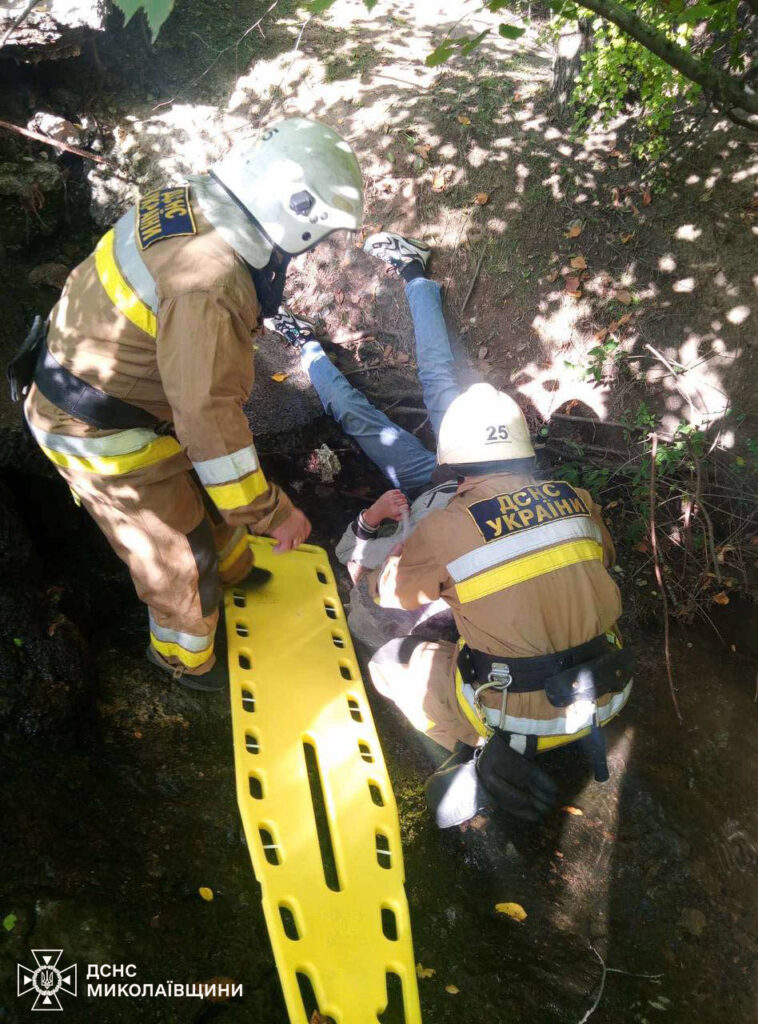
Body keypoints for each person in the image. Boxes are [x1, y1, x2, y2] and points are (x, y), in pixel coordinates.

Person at [271, 233, 632, 828]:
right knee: (422, 389)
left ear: (453, 457)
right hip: (604, 692)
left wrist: (379, 528)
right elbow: (601, 559)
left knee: (389, 657)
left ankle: (469, 749)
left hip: (524, 714)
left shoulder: (442, 524)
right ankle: (404, 280)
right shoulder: (573, 499)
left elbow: (386, 593)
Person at [7, 118, 364, 691]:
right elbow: (209, 423)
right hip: (95, 428)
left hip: (98, 382)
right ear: (294, 218)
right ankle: (182, 660)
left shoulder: (189, 202)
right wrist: (275, 512)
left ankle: (234, 571)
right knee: (177, 557)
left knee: (210, 497)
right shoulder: (212, 284)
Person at [266, 231, 461, 648]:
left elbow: (348, 552)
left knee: (350, 413)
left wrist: (373, 515)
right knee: (438, 379)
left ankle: (305, 343)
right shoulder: (456, 615)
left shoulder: (368, 588)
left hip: (424, 484)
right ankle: (413, 272)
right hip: (475, 472)